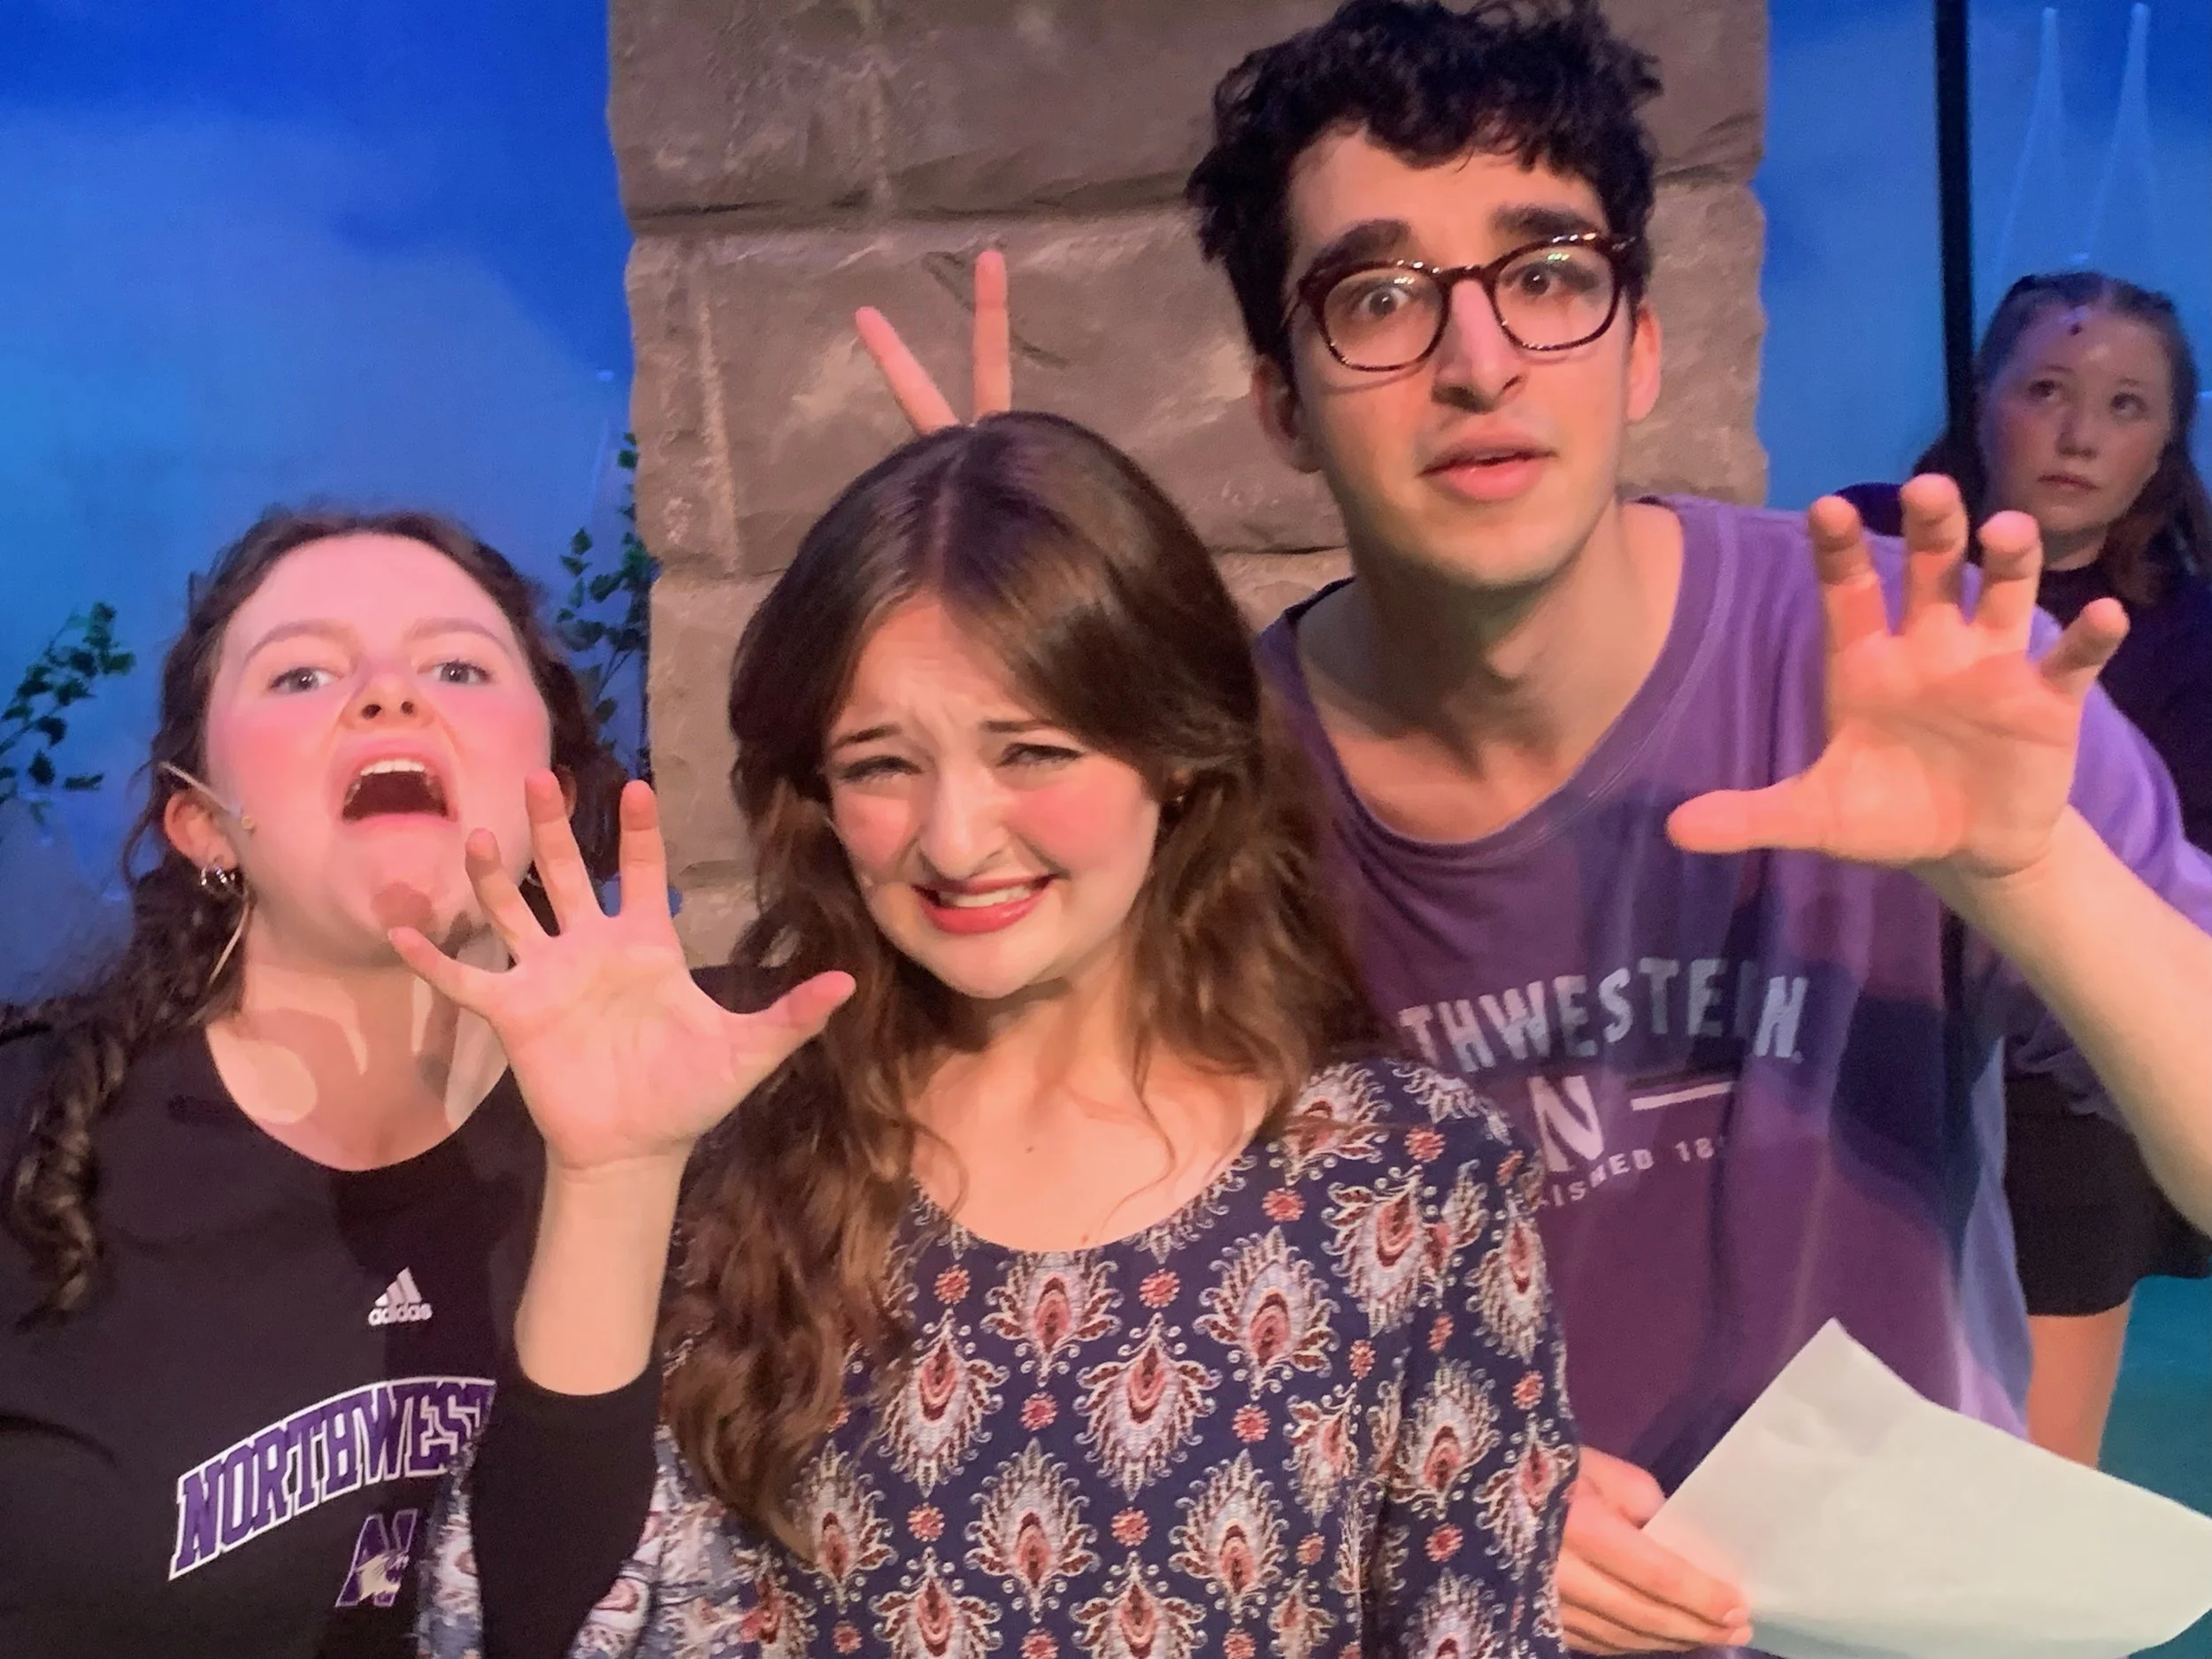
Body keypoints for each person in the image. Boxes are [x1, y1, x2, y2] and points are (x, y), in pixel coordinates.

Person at [856, 3, 2212, 1652]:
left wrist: (2031, 869)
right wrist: (1439, 1479)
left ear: (1641, 343)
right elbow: (1095, 1280)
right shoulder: (1212, 787)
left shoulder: (1876, 669)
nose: (1477, 360)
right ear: (1281, 400)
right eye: (1377, 297)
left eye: (1548, 274)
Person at [411, 411, 1579, 1659]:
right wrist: (612, 1175)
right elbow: (521, 1627)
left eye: (1032, 749)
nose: (957, 838)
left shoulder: (1409, 1184)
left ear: (1175, 757)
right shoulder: (749, 1130)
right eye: (881, 765)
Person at [0, 510, 622, 1658]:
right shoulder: (28, 1137)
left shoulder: (671, 1125)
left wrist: (987, 564)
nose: (388, 694)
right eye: (301, 672)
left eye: (456, 665)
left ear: (558, 786)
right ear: (201, 822)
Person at [1838, 272, 2212, 1466]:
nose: (2081, 432)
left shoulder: (2194, 639)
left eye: (2125, 404)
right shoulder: (1859, 564)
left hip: (2065, 1080)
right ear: (1985, 397)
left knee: (2039, 1481)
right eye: (2047, 388)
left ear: (2166, 441)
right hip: (1854, 1044)